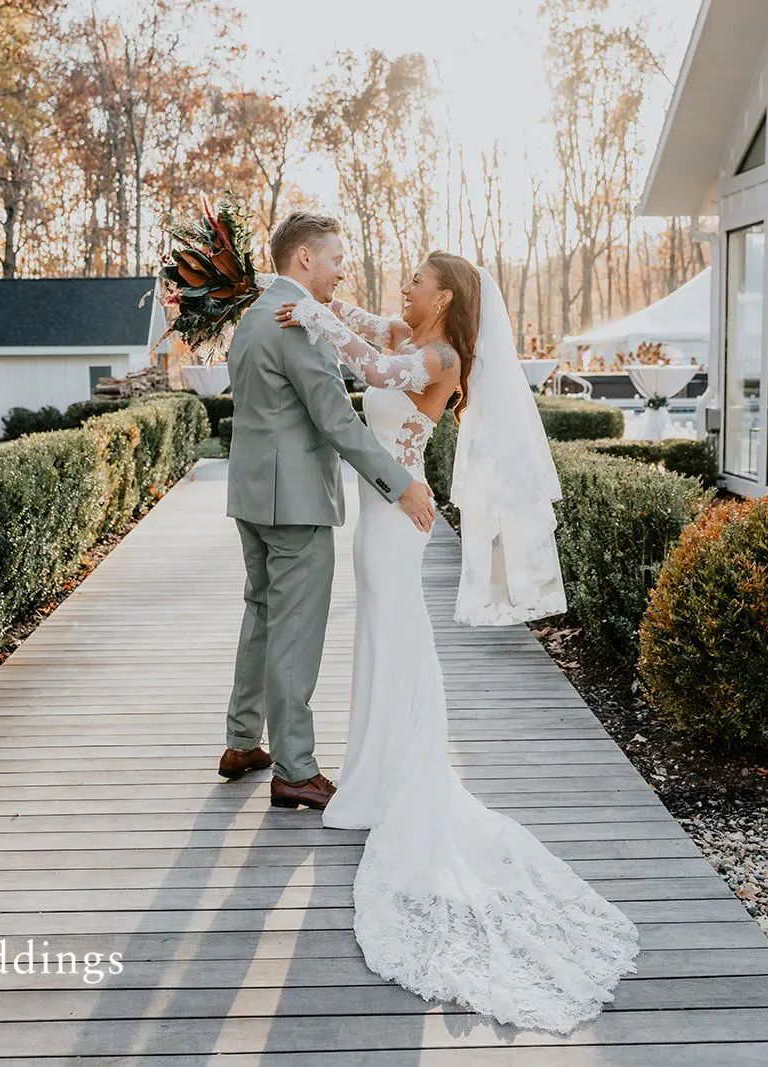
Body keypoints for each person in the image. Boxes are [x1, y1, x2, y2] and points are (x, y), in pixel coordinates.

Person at [272, 251, 640, 1035]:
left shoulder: (437, 354)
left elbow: (373, 368)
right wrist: (315, 303)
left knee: (400, 644)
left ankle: (401, 778)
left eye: (415, 280)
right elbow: (369, 330)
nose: (401, 287)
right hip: (380, 516)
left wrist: (313, 316)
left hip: (398, 525)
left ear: (444, 298)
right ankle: (376, 769)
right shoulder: (411, 327)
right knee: (381, 644)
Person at [219, 211, 435, 812]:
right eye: (336, 259)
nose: (343, 272)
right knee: (295, 630)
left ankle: (242, 740)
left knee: (262, 613)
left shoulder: (254, 316)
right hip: (296, 504)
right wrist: (402, 485)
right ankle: (295, 767)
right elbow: (336, 419)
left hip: (252, 495)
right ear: (305, 259)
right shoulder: (295, 323)